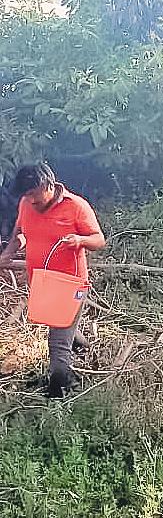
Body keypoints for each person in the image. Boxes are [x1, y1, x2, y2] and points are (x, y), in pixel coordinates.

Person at [0, 162, 106, 397]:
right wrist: (6, 255)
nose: (31, 200)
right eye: (27, 195)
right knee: (62, 328)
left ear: (48, 185)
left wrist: (80, 240)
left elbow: (99, 240)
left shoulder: (76, 206)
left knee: (57, 343)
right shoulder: (26, 204)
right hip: (42, 283)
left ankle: (60, 392)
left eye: (34, 194)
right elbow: (20, 234)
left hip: (70, 285)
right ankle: (87, 352)